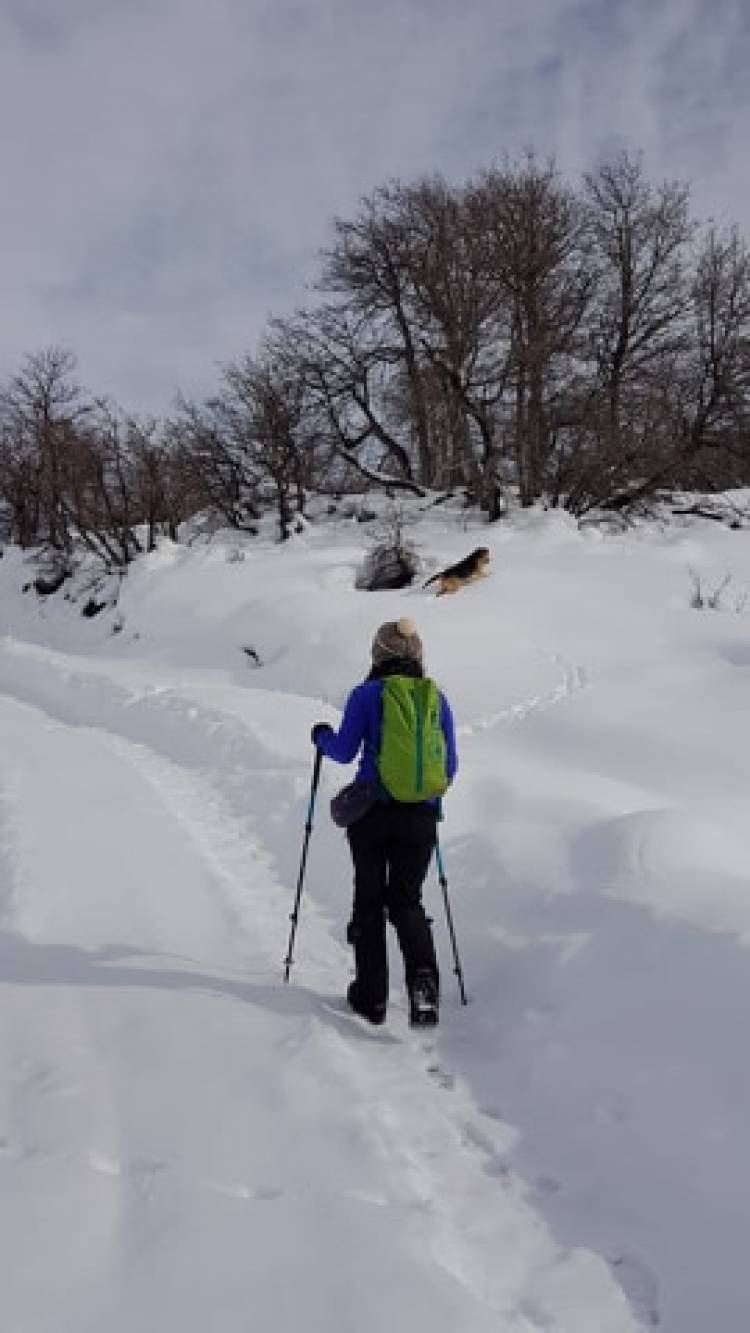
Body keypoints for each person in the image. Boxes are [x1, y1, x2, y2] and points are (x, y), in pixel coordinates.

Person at [312, 618, 457, 1027]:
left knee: (370, 902)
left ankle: (372, 997)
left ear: (379, 653)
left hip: (372, 813)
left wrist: (320, 736)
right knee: (407, 901)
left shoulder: (366, 694)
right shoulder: (436, 698)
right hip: (421, 816)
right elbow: (451, 765)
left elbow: (341, 751)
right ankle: (424, 985)